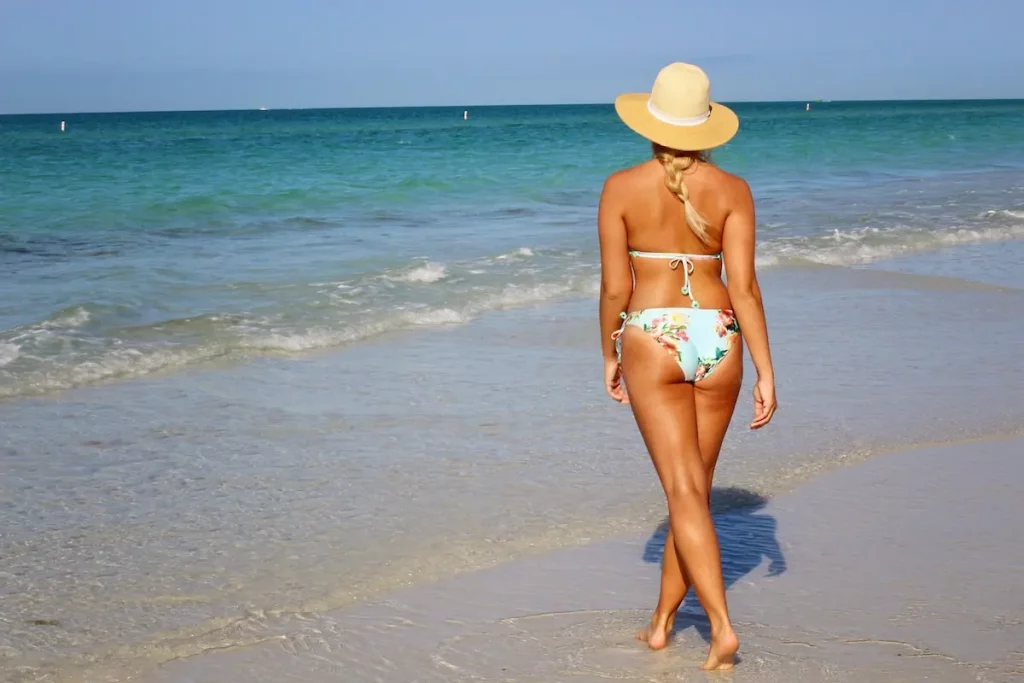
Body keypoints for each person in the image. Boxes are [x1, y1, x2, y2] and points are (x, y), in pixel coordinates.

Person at [598, 62, 777, 671]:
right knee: (692, 491)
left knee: (683, 491)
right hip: (721, 337)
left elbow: (615, 290)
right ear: (707, 128)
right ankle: (662, 622)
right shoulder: (735, 191)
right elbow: (746, 287)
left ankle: (722, 627)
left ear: (650, 121)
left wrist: (608, 352)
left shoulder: (621, 187)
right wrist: (766, 370)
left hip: (652, 335)